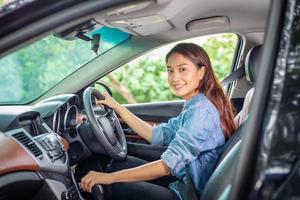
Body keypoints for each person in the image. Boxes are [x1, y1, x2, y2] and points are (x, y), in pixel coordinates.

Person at [80, 43, 237, 200]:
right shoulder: (196, 105)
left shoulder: (202, 111)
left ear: (201, 72)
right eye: (170, 71)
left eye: (182, 69)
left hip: (189, 193)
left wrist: (109, 178)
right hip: (185, 180)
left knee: (106, 185)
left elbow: (167, 165)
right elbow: (157, 135)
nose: (174, 78)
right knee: (118, 164)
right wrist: (116, 106)